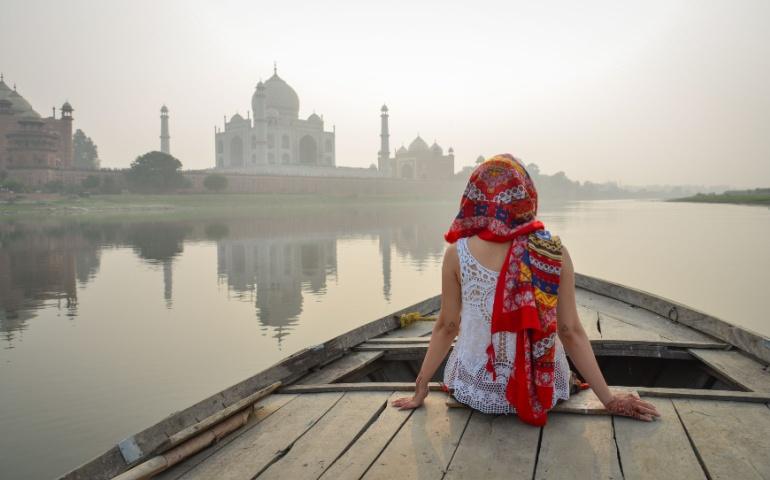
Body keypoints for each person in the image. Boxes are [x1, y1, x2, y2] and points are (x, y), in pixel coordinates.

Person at [391, 154, 660, 424]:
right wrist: (610, 400)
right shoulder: (553, 252)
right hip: (545, 391)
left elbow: (447, 327)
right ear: (526, 197)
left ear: (475, 198)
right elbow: (570, 331)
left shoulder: (456, 254)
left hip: (477, 389)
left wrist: (421, 385)